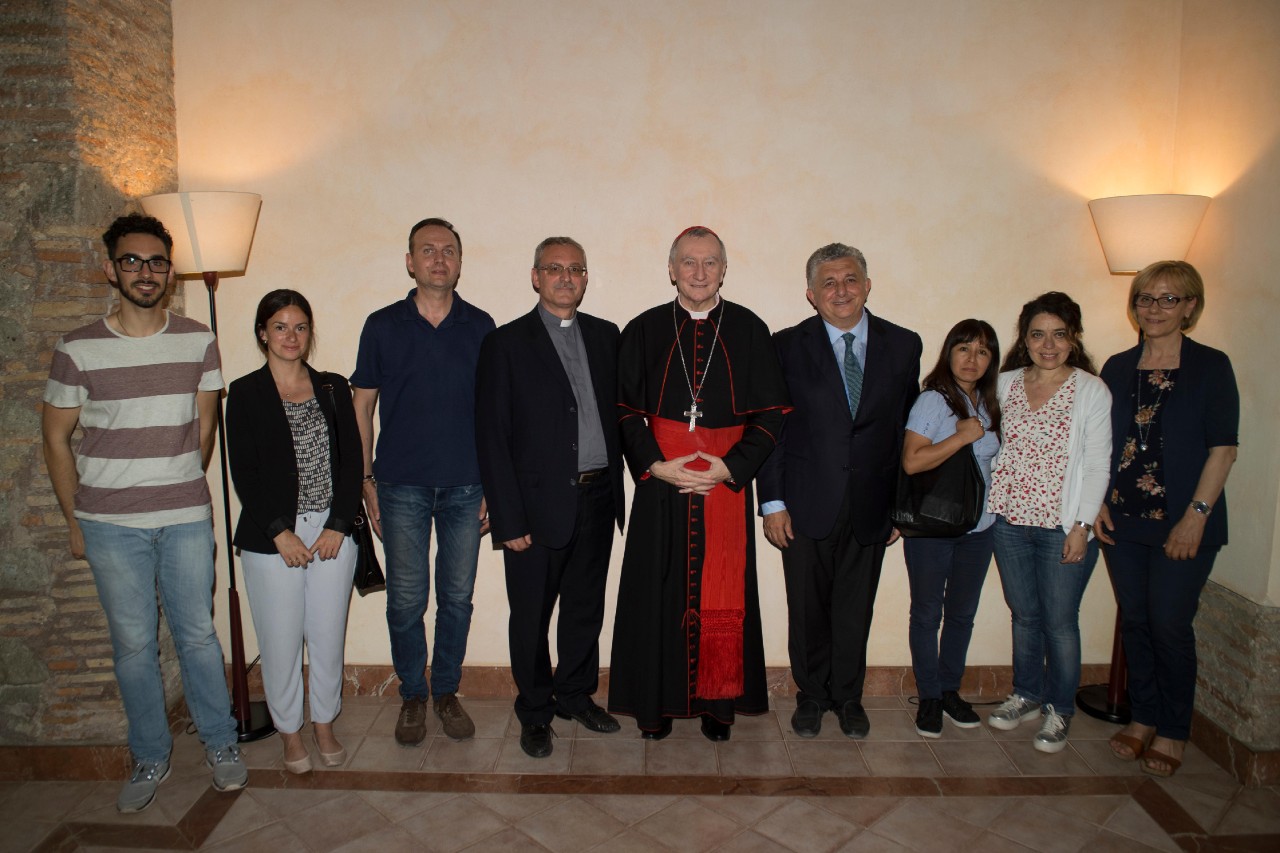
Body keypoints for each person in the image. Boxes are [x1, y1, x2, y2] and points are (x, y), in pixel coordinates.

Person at [41, 213, 246, 812]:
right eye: (132, 261)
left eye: (156, 261)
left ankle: (221, 744)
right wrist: (74, 519)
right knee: (133, 645)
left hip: (183, 515)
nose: (145, 272)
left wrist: (179, 480)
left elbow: (205, 426)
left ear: (170, 270)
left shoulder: (196, 340)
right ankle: (151, 755)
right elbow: (55, 439)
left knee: (198, 637)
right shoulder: (77, 347)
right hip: (109, 525)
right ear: (111, 269)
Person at [607, 226, 791, 742]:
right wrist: (654, 465)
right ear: (671, 270)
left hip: (724, 486)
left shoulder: (750, 329)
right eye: (688, 262)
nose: (699, 272)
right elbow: (622, 411)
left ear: (723, 270)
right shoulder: (643, 330)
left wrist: (731, 466)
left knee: (721, 592)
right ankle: (656, 706)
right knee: (656, 592)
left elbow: (771, 415)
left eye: (710, 262)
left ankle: (718, 705)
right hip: (661, 485)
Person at [758, 243, 922, 739]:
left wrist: (903, 505)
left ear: (867, 285)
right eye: (828, 283)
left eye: (850, 279)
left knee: (856, 607)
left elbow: (907, 431)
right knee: (807, 609)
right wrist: (772, 502)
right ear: (811, 294)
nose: (841, 290)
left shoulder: (903, 344)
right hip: (805, 502)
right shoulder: (784, 346)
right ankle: (811, 696)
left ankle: (849, 698)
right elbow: (772, 431)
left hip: (873, 503)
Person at [476, 237, 625, 758]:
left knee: (585, 608)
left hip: (599, 496)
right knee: (532, 615)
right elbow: (492, 435)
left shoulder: (608, 337)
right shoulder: (506, 343)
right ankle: (535, 710)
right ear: (535, 276)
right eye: (554, 268)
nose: (566, 277)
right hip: (534, 508)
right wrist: (507, 515)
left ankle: (576, 695)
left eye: (576, 269)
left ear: (585, 279)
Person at [351, 218, 495, 745]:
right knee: (407, 601)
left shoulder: (481, 327)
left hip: (466, 487)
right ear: (410, 262)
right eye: (427, 251)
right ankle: (413, 693)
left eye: (449, 251)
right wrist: (365, 478)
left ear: (460, 262)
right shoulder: (382, 325)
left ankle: (447, 692)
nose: (439, 259)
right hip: (400, 486)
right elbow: (361, 406)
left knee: (457, 599)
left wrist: (494, 487)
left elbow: (495, 413)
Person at [1095, 261, 1237, 778]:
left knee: (1170, 625)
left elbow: (1223, 450)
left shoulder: (1211, 367)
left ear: (1190, 306)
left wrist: (1195, 517)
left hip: (1183, 522)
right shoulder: (1116, 366)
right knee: (1134, 620)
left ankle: (1175, 730)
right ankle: (1144, 718)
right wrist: (1099, 500)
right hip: (1123, 521)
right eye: (1146, 299)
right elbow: (1100, 443)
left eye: (1168, 299)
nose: (1154, 309)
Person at [226, 290, 363, 773]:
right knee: (281, 641)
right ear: (263, 332)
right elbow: (244, 469)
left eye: (300, 326)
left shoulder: (332, 387)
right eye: (280, 326)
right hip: (271, 541)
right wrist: (280, 532)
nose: (291, 336)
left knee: (327, 636)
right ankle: (290, 734)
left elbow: (352, 464)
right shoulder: (244, 392)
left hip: (330, 533)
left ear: (310, 333)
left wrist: (338, 525)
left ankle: (324, 724)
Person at [985, 292, 1111, 753]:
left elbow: (1099, 464)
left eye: (1059, 334)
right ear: (1025, 338)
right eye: (1038, 334)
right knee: (1025, 615)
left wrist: (1081, 526)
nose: (1049, 344)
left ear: (1074, 338)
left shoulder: (1091, 390)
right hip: (1010, 522)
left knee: (1060, 621)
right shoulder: (1004, 384)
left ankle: (1060, 709)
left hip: (1063, 527)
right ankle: (1027, 694)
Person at [899, 320, 1002, 738]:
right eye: (964, 349)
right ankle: (929, 698)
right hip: (934, 528)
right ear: (949, 353)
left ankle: (950, 689)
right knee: (927, 614)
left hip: (981, 527)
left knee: (962, 615)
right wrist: (960, 439)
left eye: (982, 351)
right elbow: (912, 462)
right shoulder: (933, 401)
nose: (972, 359)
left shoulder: (989, 403)